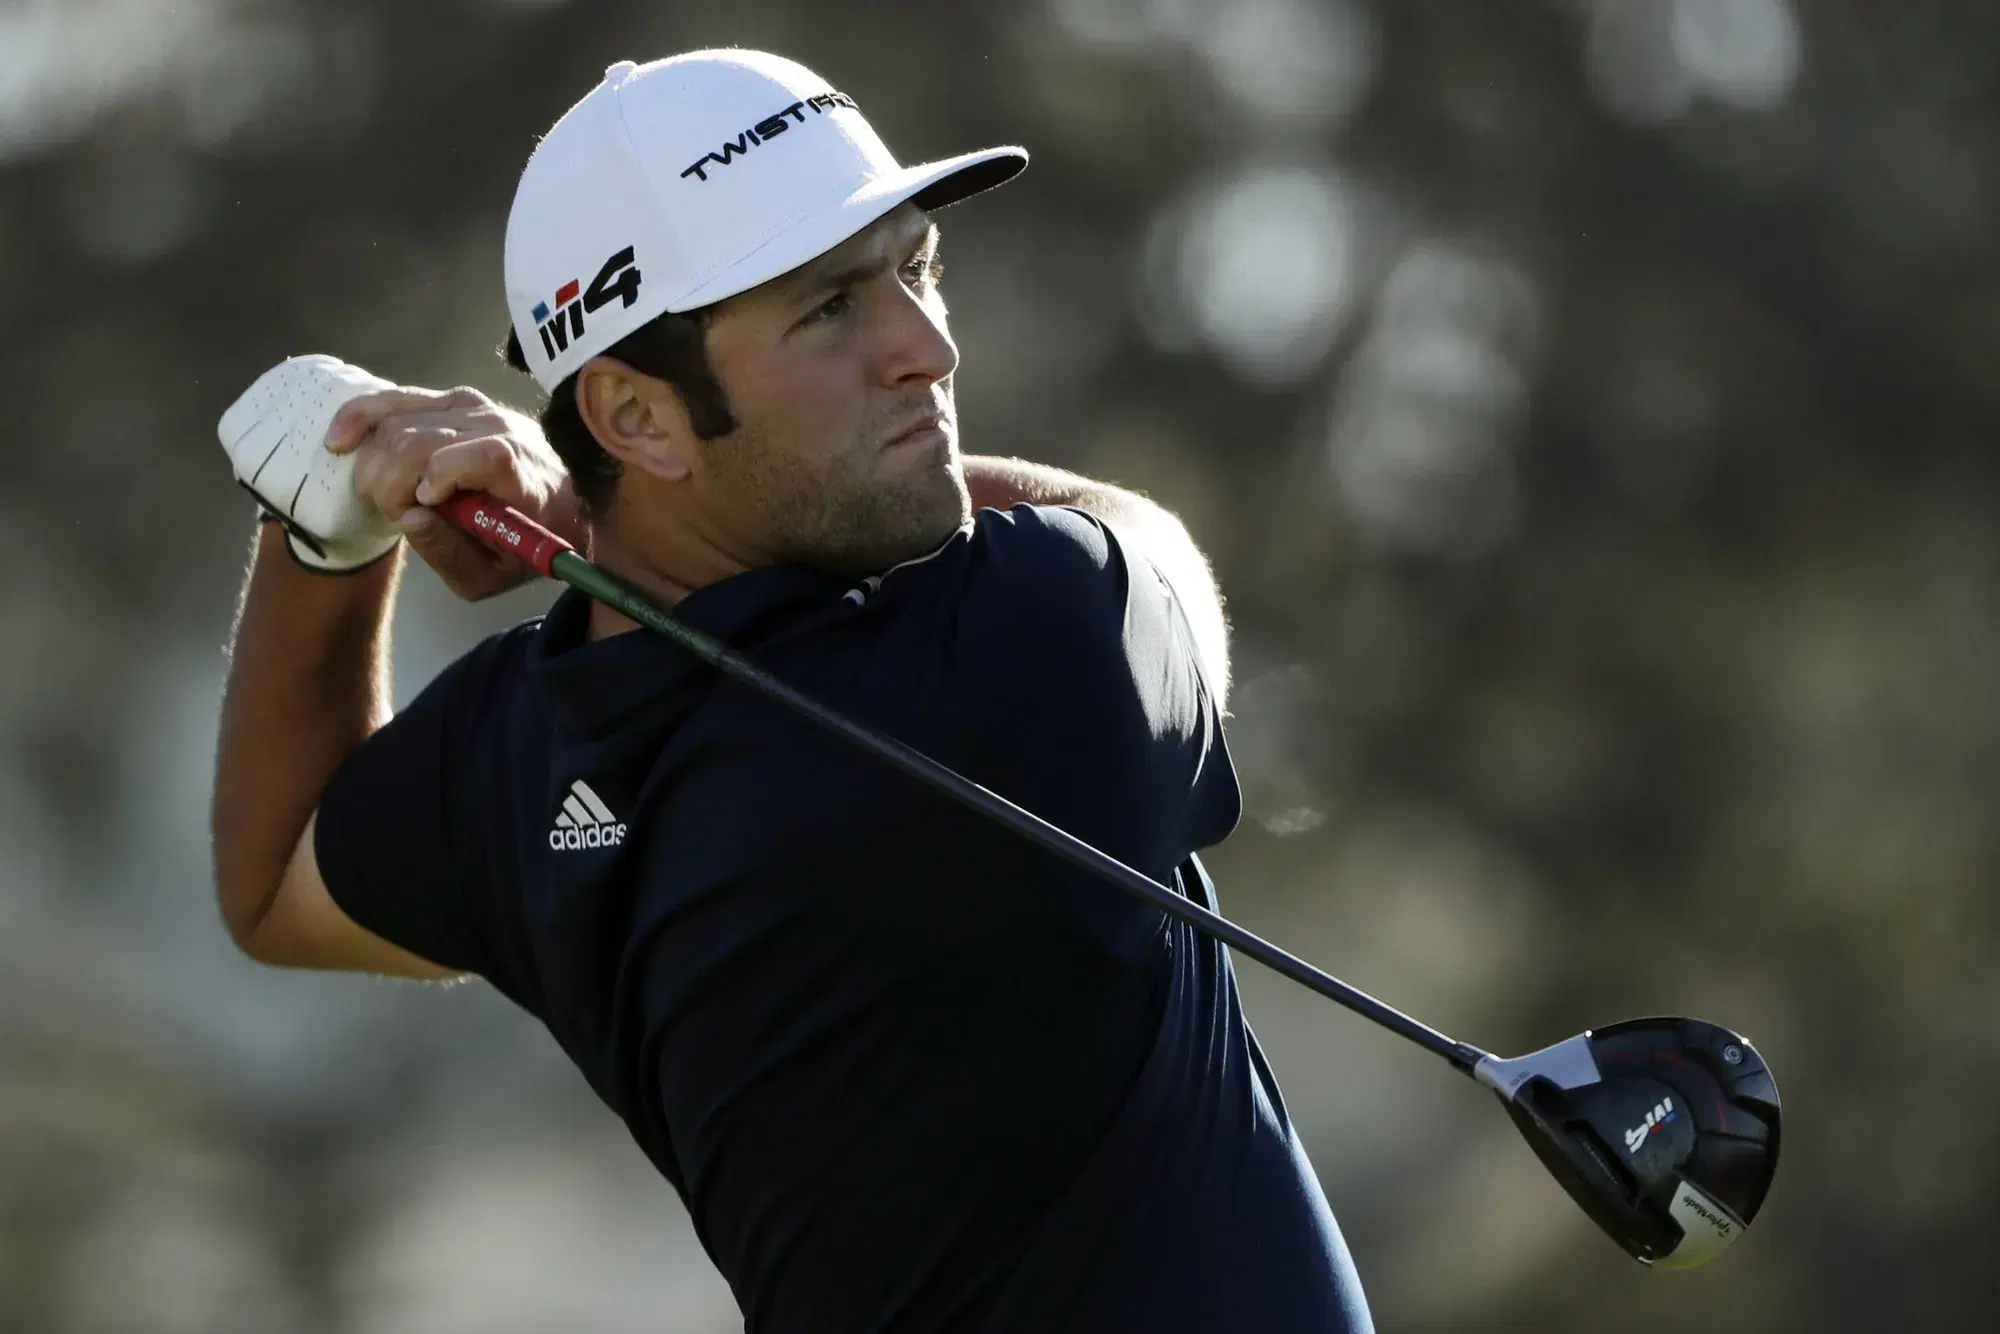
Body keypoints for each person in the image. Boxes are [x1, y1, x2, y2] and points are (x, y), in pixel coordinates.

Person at [211, 49, 1373, 1333]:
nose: (923, 349)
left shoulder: (521, 753)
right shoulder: (1031, 654)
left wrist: (326, 525)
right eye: (829, 308)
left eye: (915, 269)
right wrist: (586, 518)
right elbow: (1136, 532)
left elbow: (271, 885)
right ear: (635, 417)